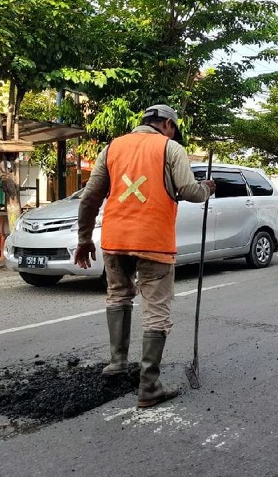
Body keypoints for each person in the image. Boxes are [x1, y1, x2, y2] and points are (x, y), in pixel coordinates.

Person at [74, 104, 216, 409]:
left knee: (118, 296)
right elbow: (189, 191)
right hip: (154, 242)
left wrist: (84, 239)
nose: (173, 132)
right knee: (156, 311)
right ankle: (149, 386)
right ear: (166, 124)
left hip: (115, 240)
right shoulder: (170, 148)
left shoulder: (112, 147)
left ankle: (118, 363)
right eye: (173, 127)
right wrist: (207, 188)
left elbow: (90, 198)